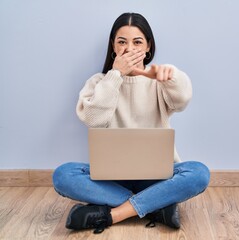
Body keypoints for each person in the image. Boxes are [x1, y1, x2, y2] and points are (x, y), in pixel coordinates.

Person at [52, 12, 210, 234]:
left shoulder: (159, 80)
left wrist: (170, 76)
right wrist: (115, 75)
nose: (129, 48)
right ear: (113, 47)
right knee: (63, 175)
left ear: (148, 47)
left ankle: (113, 213)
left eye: (137, 42)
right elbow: (94, 120)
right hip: (110, 180)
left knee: (199, 172)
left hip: (156, 178)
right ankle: (155, 206)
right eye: (122, 42)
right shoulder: (99, 82)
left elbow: (182, 100)